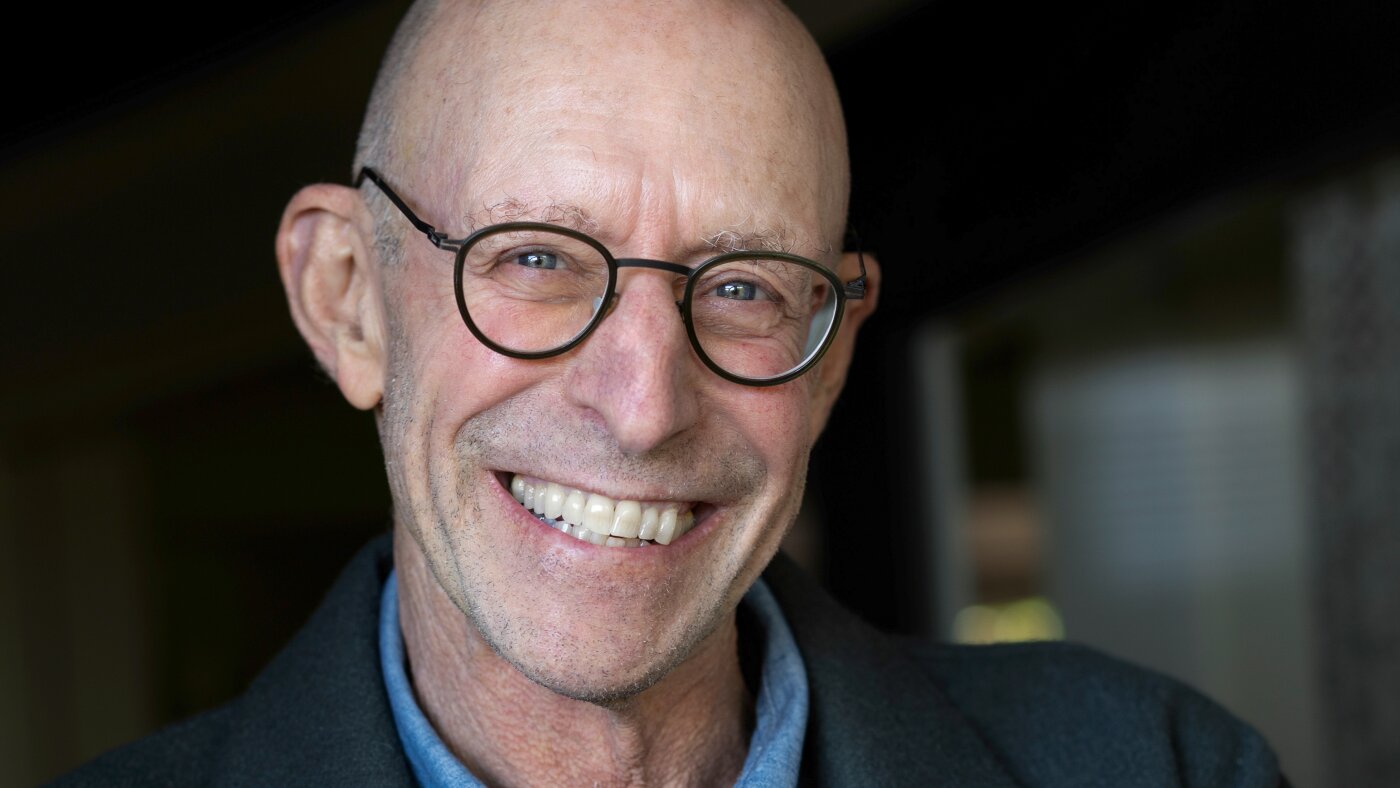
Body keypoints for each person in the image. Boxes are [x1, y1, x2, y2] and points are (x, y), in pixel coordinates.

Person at [59, 1, 1285, 785]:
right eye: (535, 259)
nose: (644, 405)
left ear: (832, 354)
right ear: (346, 298)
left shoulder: (1161, 766)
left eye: (743, 286)